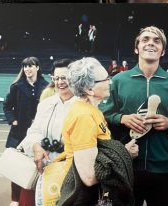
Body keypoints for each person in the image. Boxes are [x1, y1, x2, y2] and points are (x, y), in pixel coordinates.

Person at [101, 26, 168, 206]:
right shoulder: (119, 80)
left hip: (162, 167)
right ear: (136, 48)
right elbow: (105, 115)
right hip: (126, 165)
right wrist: (123, 118)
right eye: (145, 40)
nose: (151, 43)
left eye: (156, 41)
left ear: (163, 51)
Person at [57, 57, 137, 205]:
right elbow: (89, 176)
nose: (110, 81)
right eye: (105, 79)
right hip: (82, 196)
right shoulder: (84, 117)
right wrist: (124, 154)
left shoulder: (92, 110)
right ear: (89, 89)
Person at [16, 58, 74, 206]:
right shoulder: (46, 104)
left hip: (68, 169)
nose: (60, 82)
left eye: (64, 78)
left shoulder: (82, 104)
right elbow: (34, 131)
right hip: (41, 165)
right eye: (56, 78)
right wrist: (36, 146)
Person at [3, 57, 48, 206]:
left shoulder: (46, 86)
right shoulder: (16, 86)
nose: (27, 69)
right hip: (19, 133)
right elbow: (7, 106)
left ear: (37, 67)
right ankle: (15, 199)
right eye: (25, 67)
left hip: (39, 134)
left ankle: (36, 197)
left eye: (30, 66)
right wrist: (13, 120)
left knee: (39, 166)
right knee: (17, 167)